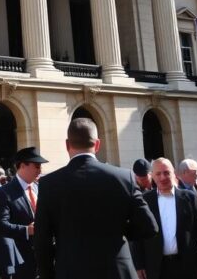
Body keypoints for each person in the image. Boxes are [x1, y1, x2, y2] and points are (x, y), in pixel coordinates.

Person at [35, 118, 157, 279]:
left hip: (70, 271)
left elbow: (42, 242)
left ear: (67, 145)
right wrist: (118, 229)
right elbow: (149, 227)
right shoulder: (124, 178)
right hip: (117, 270)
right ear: (97, 144)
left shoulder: (49, 184)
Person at [135, 158, 197, 279]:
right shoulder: (145, 200)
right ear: (152, 176)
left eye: (166, 172)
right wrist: (139, 265)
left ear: (173, 173)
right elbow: (137, 236)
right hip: (156, 268)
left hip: (187, 266)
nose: (163, 177)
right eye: (158, 174)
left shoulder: (190, 198)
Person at [0, 146, 49, 279]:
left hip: (46, 258)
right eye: (36, 166)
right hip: (22, 261)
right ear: (23, 166)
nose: (40, 170)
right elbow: (1, 226)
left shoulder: (39, 187)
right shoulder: (5, 192)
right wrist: (26, 230)